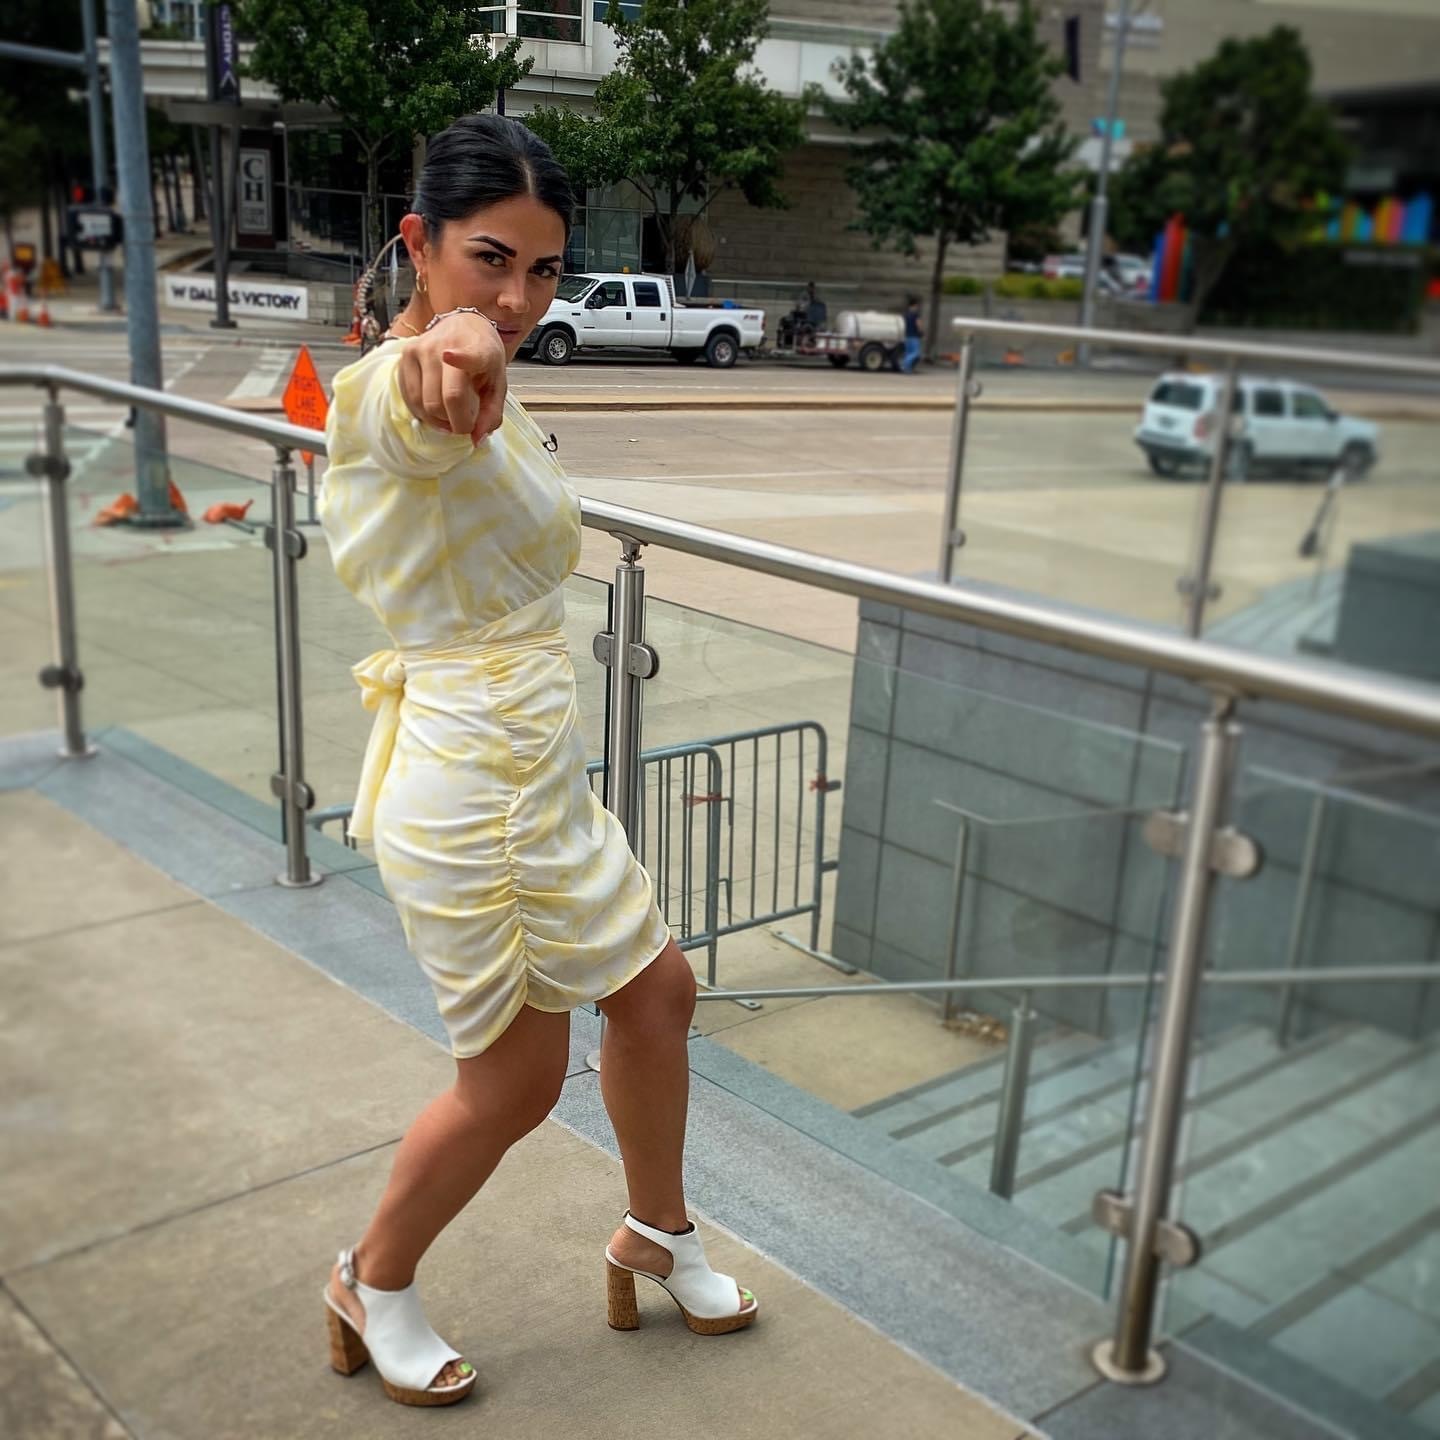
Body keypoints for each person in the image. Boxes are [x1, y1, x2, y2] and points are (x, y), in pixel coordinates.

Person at [319, 114, 758, 1411]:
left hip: (536, 777)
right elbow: (408, 396)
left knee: (657, 993)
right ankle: (372, 1279)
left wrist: (476, 339)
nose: (515, 302)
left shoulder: (503, 387)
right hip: (470, 790)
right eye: (489, 261)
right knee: (513, 1080)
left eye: (546, 271)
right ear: (419, 244)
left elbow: (478, 382)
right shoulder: (392, 389)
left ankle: (656, 1233)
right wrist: (444, 343)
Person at [901, 297, 923, 374]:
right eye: (916, 306)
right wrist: (921, 332)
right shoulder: (915, 315)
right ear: (914, 305)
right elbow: (918, 324)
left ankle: (908, 369)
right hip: (914, 336)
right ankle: (905, 365)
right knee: (916, 353)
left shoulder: (905, 315)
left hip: (907, 336)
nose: (917, 308)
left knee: (908, 353)